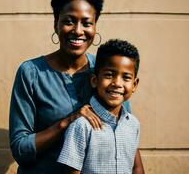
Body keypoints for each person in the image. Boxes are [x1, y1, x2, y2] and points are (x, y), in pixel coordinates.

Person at [9, 0, 144, 174]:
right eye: (69, 21)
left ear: (95, 26)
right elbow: (20, 148)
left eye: (87, 23)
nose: (78, 31)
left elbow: (124, 131)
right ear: (56, 23)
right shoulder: (31, 73)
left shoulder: (108, 73)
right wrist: (68, 121)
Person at [57, 39, 141, 174]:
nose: (117, 83)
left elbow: (136, 167)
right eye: (109, 75)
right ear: (95, 80)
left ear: (135, 85)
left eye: (126, 77)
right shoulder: (82, 126)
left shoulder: (133, 124)